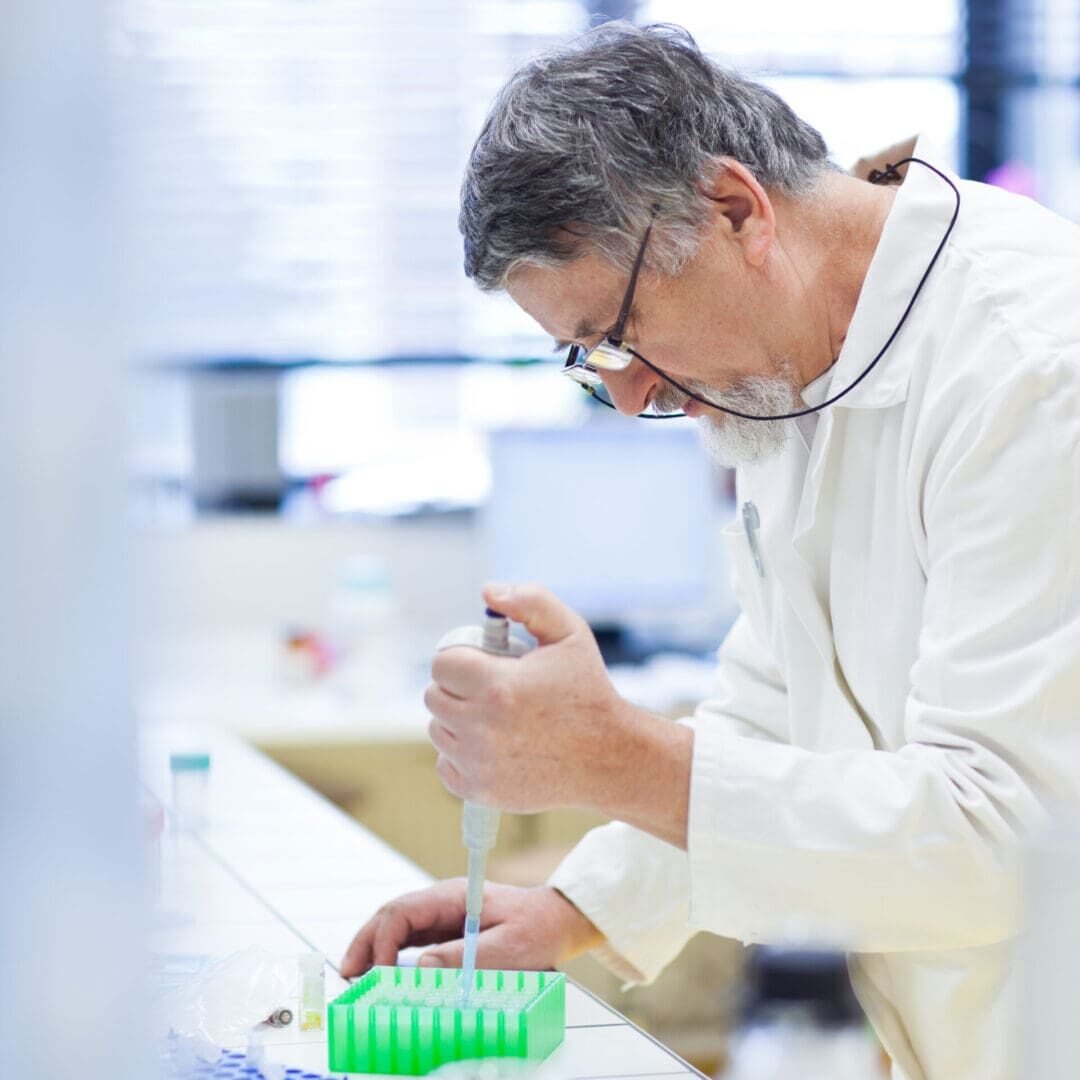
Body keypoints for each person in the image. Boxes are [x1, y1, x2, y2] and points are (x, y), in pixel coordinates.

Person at [340, 22, 1080, 1080]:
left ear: (738, 210)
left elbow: (1008, 838)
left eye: (624, 328)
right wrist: (571, 908)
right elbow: (777, 708)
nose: (629, 389)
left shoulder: (1035, 368)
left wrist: (616, 758)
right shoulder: (786, 367)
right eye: (588, 356)